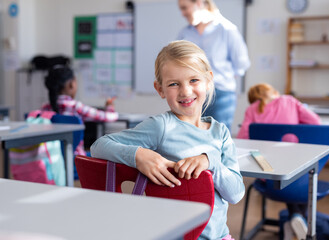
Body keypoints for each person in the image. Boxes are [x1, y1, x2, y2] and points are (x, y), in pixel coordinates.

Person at [90, 40, 245, 240]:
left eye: (194, 80)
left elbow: (235, 194)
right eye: (174, 84)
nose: (186, 91)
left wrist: (211, 161)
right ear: (160, 89)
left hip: (220, 236)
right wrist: (139, 155)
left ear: (208, 80)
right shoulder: (161, 126)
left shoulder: (221, 132)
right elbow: (98, 146)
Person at [237, 83, 321, 240]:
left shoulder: (252, 109)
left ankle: (295, 217)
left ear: (253, 99)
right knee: (300, 178)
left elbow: (241, 139)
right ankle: (297, 216)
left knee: (281, 174)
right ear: (274, 92)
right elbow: (315, 122)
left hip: (266, 171)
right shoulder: (289, 101)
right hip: (297, 167)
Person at [177, 0, 251, 131]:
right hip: (191, 93)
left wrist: (222, 80)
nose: (182, 14)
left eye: (184, 8)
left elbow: (241, 63)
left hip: (221, 94)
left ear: (199, 3)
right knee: (191, 135)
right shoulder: (185, 33)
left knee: (218, 137)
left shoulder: (226, 29)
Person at [42, 65, 119, 156]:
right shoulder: (75, 106)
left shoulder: (45, 108)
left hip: (53, 158)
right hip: (76, 158)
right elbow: (109, 117)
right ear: (71, 84)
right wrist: (110, 107)